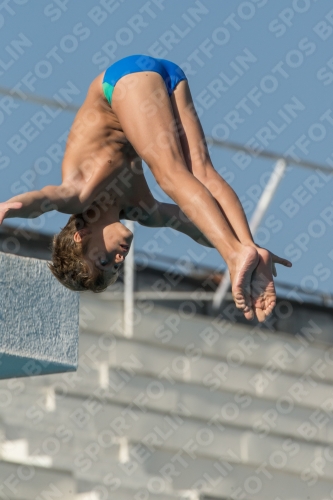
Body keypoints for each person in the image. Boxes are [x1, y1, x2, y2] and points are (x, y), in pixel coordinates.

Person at [0, 54, 291, 322]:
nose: (118, 259)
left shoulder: (79, 195)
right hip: (169, 79)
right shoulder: (143, 211)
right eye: (115, 268)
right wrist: (246, 245)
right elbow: (198, 226)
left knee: (170, 174)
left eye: (103, 260)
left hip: (123, 81)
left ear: (81, 236)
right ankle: (247, 250)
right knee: (202, 172)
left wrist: (6, 209)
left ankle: (236, 256)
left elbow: (41, 203)